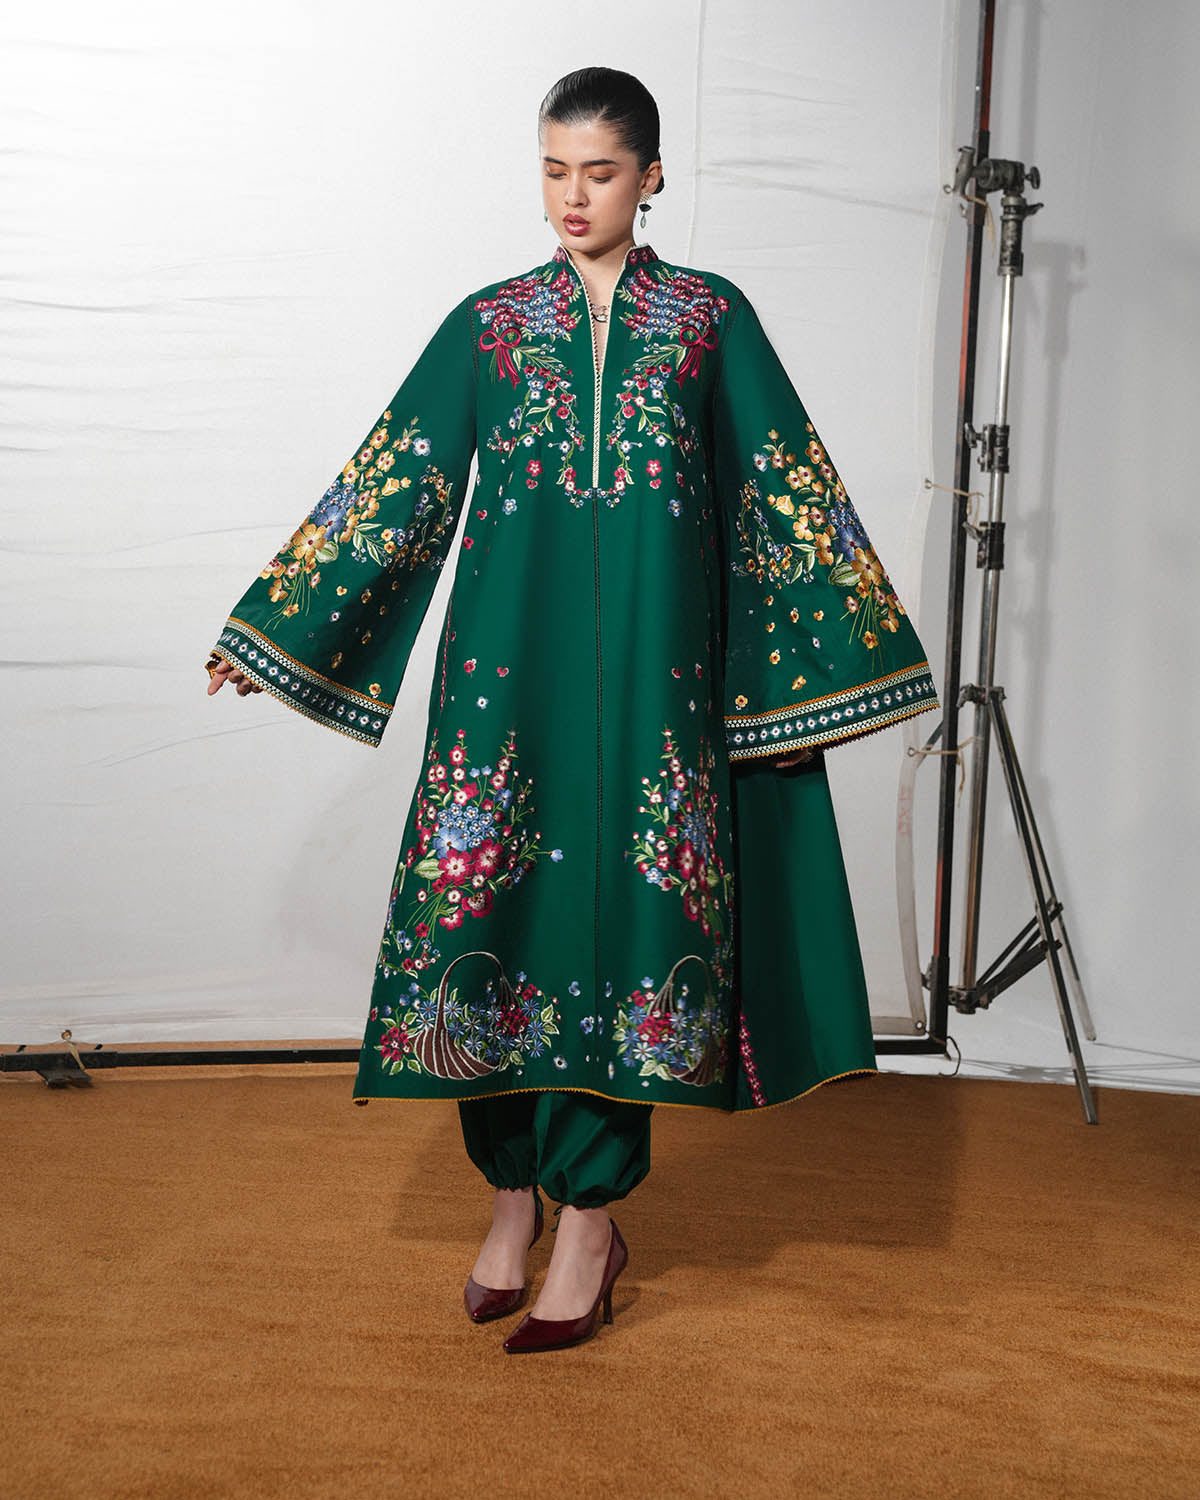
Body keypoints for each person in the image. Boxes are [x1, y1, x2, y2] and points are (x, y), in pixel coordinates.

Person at [204, 67, 940, 1354]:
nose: (572, 197)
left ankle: (590, 1222)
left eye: (598, 172)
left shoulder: (708, 319)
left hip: (660, 691)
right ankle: (510, 1202)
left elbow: (786, 486)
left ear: (650, 178)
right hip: (506, 681)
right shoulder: (491, 325)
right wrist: (280, 626)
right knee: (490, 916)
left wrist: (839, 666)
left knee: (622, 928)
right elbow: (397, 479)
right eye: (553, 170)